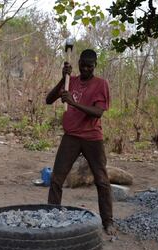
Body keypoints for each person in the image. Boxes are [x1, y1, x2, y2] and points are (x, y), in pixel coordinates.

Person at [46, 49, 116, 235]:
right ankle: (51, 215)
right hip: (71, 137)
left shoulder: (101, 84)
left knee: (102, 181)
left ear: (95, 65)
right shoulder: (72, 82)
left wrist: (73, 103)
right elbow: (48, 99)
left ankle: (108, 222)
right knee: (56, 179)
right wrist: (63, 79)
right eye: (82, 65)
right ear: (78, 63)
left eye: (89, 66)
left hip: (92, 138)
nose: (85, 69)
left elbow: (98, 112)